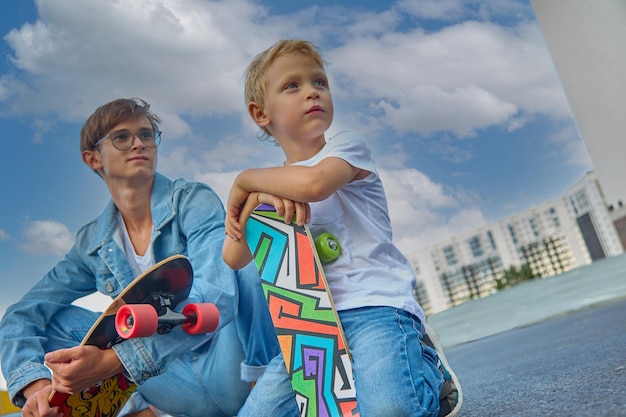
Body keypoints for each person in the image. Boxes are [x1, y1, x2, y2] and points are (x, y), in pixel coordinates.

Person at [222, 39, 462, 417]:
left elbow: (314, 185)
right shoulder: (269, 185)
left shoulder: (346, 149)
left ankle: (429, 374)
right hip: (309, 326)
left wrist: (244, 181)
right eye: (292, 86)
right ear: (260, 114)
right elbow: (234, 257)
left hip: (376, 308)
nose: (311, 92)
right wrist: (252, 200)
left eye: (319, 82)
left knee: (389, 409)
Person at [0, 98, 279, 417]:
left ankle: (266, 395)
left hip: (230, 363)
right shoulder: (92, 243)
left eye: (147, 135)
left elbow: (220, 296)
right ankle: (133, 409)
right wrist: (35, 387)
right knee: (53, 319)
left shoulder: (191, 201)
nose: (138, 143)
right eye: (122, 137)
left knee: (245, 261)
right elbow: (21, 314)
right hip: (168, 381)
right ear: (92, 158)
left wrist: (115, 361)